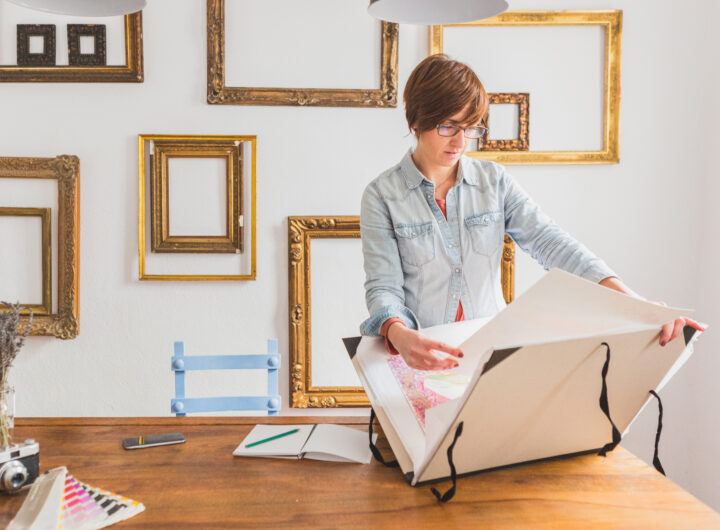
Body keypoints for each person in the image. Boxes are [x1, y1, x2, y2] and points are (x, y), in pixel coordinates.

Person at [359, 54, 702, 371]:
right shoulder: (382, 196)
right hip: (417, 362)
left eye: (471, 128)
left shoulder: (494, 182)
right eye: (448, 126)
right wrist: (400, 336)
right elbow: (383, 287)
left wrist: (638, 305)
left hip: (488, 362)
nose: (461, 142)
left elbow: (553, 244)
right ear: (416, 120)